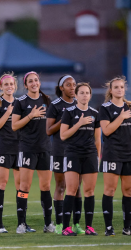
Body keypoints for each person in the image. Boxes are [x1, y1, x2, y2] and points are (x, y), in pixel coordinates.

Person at [0, 73, 35, 233]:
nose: (9, 87)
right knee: (1, 184)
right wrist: (8, 113)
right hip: (3, 147)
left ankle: (22, 223)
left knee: (21, 187)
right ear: (1, 87)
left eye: (12, 84)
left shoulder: (20, 103)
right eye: (6, 84)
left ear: (15, 87)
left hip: (20, 149)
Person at [12, 71, 54, 234]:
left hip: (45, 149)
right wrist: (31, 115)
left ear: (39, 82)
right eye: (30, 81)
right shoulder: (20, 102)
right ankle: (21, 224)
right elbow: (15, 126)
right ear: (26, 85)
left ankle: (48, 224)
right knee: (24, 187)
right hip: (27, 148)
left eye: (36, 80)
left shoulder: (47, 101)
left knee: (45, 186)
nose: (34, 83)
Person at [60, 82, 101, 236]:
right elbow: (63, 135)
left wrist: (98, 157)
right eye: (81, 93)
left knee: (89, 191)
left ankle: (89, 227)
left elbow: (98, 140)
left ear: (90, 95)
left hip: (90, 155)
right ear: (76, 96)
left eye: (87, 93)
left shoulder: (95, 113)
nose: (84, 95)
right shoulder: (69, 112)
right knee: (71, 189)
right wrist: (79, 123)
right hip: (73, 154)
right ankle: (66, 227)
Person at [47, 75, 84, 235]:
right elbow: (48, 130)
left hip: (77, 151)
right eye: (68, 85)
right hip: (60, 151)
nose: (72, 87)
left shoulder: (80, 104)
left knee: (76, 188)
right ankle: (61, 224)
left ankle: (76, 224)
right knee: (61, 186)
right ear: (61, 88)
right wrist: (64, 120)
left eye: (74, 84)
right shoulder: (55, 105)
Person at [99, 76, 131, 236]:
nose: (119, 89)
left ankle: (127, 227)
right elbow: (107, 130)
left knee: (128, 190)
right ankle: (109, 228)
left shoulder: (130, 107)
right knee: (110, 190)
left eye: (122, 87)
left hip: (129, 155)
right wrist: (121, 117)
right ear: (110, 90)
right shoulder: (105, 108)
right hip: (112, 154)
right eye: (116, 87)